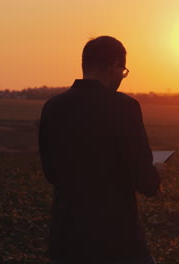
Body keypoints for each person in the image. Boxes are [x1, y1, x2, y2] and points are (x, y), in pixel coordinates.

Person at [39, 36, 163, 264]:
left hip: (66, 238)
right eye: (123, 71)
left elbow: (51, 173)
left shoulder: (53, 107)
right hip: (116, 240)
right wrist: (156, 171)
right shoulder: (124, 108)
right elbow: (146, 181)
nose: (122, 78)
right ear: (114, 66)